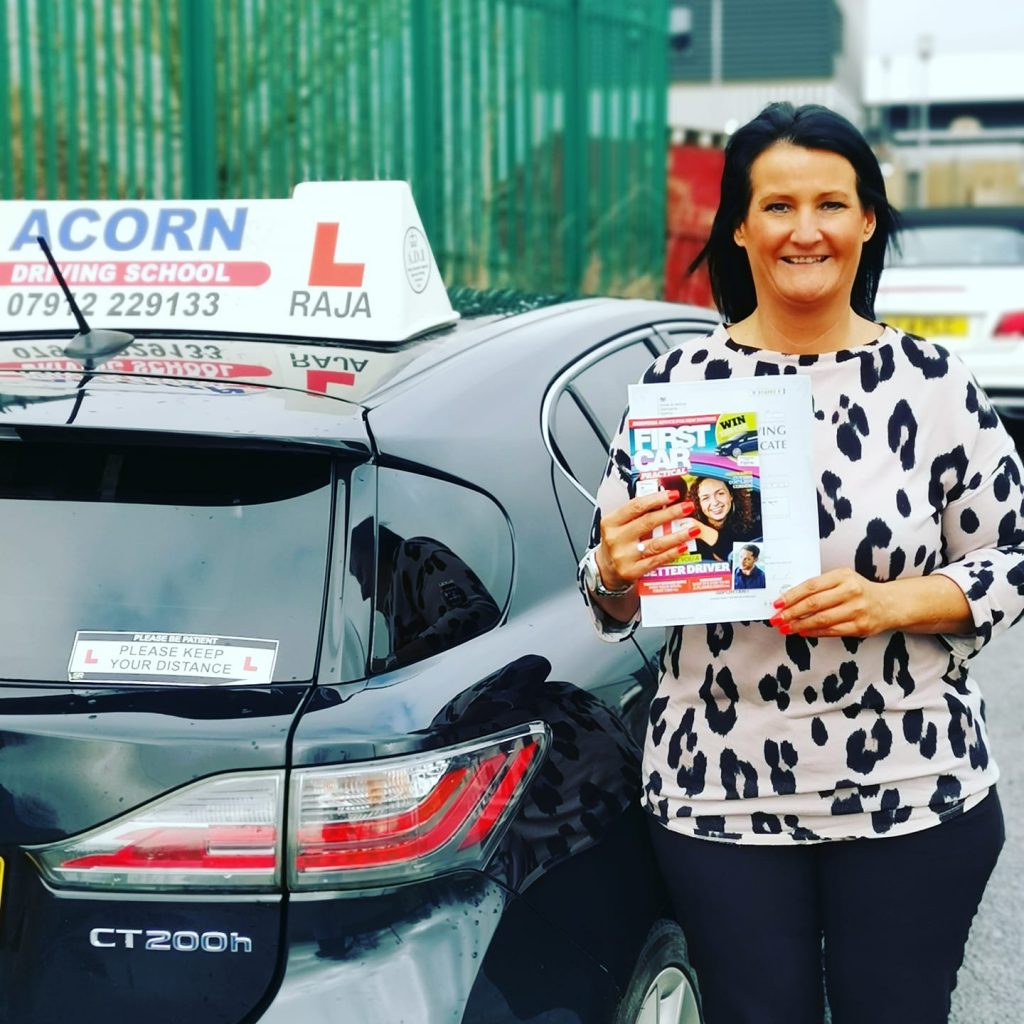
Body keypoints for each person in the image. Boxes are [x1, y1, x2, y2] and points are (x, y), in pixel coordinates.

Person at [577, 101, 1024, 1024]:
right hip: (719, 788)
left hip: (912, 779)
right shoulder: (679, 388)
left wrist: (894, 604)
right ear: (740, 228)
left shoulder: (934, 385)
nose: (805, 230)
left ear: (868, 221)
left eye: (831, 204)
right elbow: (616, 596)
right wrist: (614, 572)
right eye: (778, 206)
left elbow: (1011, 556)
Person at [689, 475, 761, 560]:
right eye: (705, 498)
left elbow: (739, 561)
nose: (715, 502)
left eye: (720, 493)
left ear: (731, 495)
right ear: (699, 504)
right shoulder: (691, 526)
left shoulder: (751, 524)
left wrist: (704, 532)